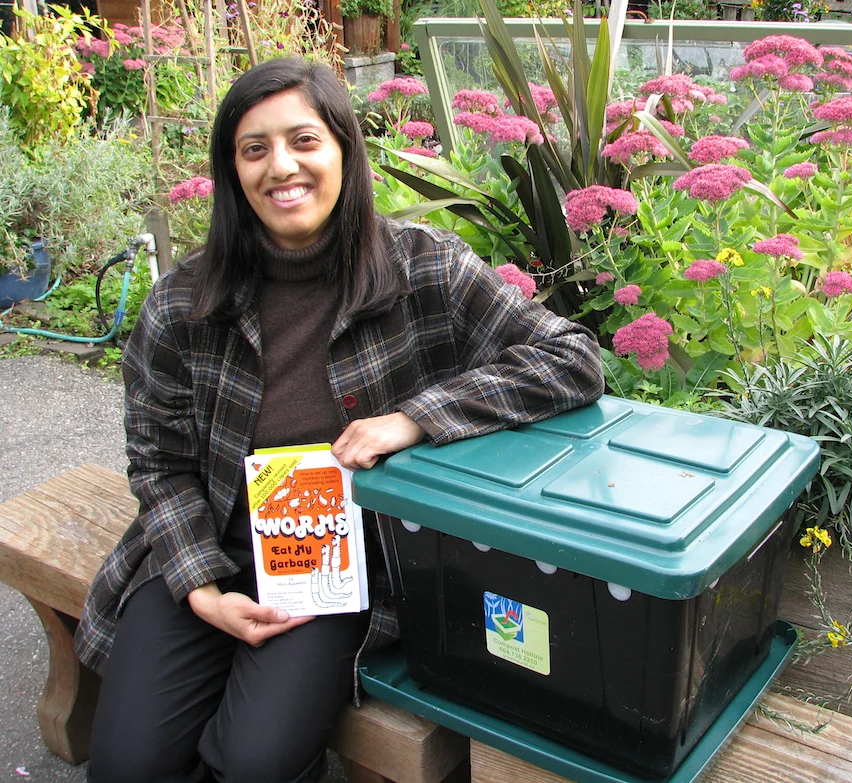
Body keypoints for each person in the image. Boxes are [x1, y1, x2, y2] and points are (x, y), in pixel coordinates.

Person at [75, 57, 603, 783]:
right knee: (127, 765)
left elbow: (570, 358)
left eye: (303, 140)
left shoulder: (423, 270)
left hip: (332, 564)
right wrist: (201, 585)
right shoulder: (183, 303)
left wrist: (416, 417)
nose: (280, 167)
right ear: (232, 171)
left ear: (343, 151)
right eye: (254, 149)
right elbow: (158, 462)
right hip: (206, 543)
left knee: (255, 761)